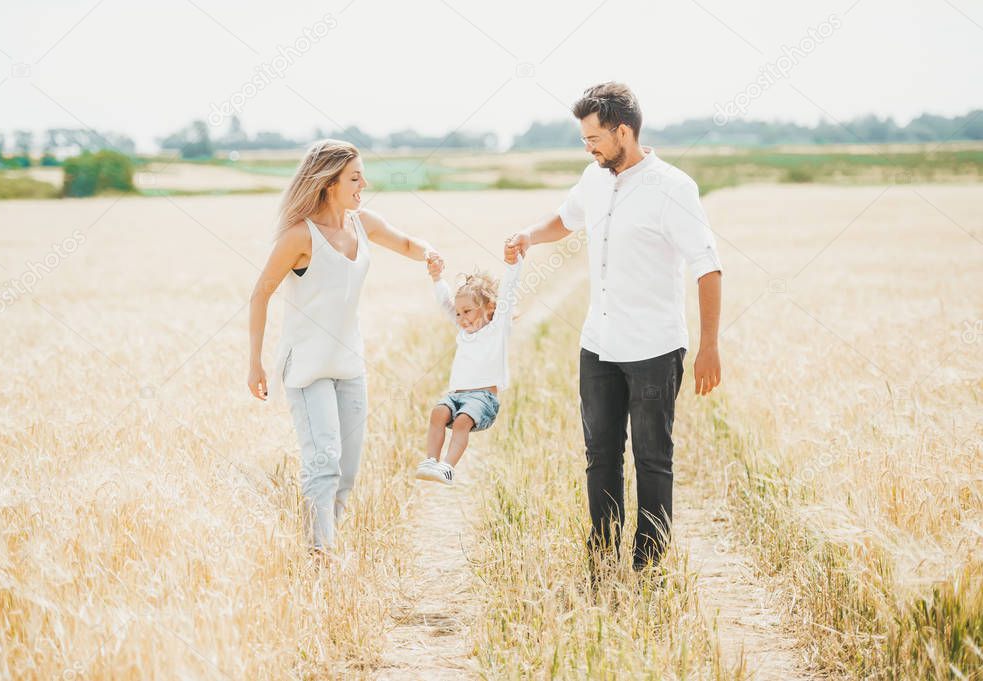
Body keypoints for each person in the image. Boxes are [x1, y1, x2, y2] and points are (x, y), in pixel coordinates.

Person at [506, 82, 724, 571]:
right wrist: (527, 237)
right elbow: (565, 220)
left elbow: (707, 267)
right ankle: (602, 556)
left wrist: (709, 345)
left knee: (652, 460)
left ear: (623, 131)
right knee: (599, 455)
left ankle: (648, 566)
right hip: (597, 345)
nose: (589, 148)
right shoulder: (594, 178)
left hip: (655, 348)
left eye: (594, 139)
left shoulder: (673, 188)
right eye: (584, 140)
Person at [247, 139, 441, 552]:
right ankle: (321, 558)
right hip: (306, 367)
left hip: (350, 365)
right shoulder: (299, 236)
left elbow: (406, 243)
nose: (364, 183)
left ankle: (320, 545)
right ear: (329, 182)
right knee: (324, 465)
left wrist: (429, 254)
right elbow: (260, 293)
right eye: (355, 177)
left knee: (346, 473)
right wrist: (255, 363)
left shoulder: (362, 223)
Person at [414, 240, 524, 485]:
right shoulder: (464, 331)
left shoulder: (497, 329)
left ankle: (447, 468)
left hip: (484, 399)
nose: (462, 318)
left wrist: (514, 266)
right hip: (456, 396)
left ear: (489, 308)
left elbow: (507, 292)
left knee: (462, 421)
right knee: (438, 412)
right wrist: (436, 278)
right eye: (459, 313)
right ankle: (431, 461)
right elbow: (445, 304)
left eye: (468, 311)